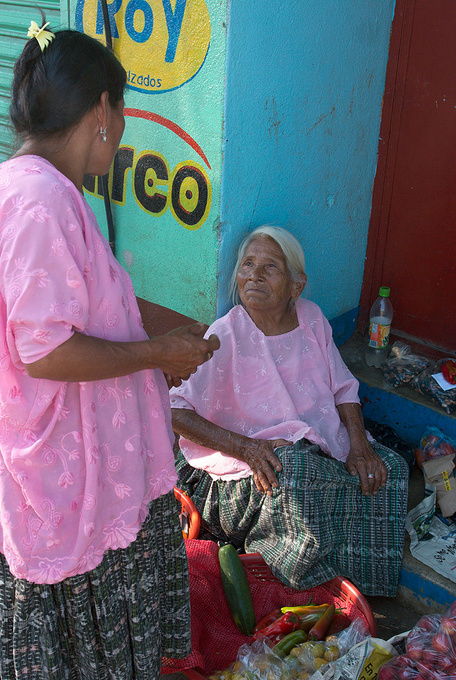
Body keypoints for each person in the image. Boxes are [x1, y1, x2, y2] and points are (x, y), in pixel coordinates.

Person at [0, 20, 219, 680]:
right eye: (120, 119)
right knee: (47, 582)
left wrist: (165, 326)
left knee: (59, 581)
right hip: (48, 458)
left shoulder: (31, 188)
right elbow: (47, 349)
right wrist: (158, 355)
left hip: (46, 446)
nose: (120, 138)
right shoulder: (40, 204)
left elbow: (89, 304)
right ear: (103, 109)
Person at [170, 225, 408, 598]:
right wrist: (246, 447)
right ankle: (303, 584)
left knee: (389, 467)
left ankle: (360, 582)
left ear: (296, 286)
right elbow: (176, 411)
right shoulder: (226, 334)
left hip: (312, 444)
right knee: (296, 475)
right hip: (239, 471)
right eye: (247, 264)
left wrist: (360, 445)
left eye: (270, 267)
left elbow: (344, 387)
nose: (253, 275)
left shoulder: (311, 318)